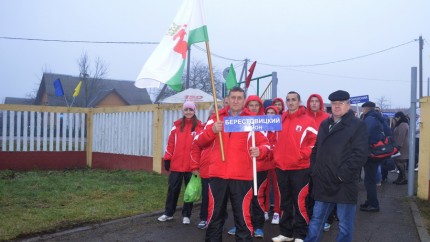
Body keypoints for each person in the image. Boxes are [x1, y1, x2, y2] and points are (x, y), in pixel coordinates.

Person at [195, 87, 270, 242]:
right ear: (227, 99)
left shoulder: (252, 120)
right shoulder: (216, 117)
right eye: (233, 97)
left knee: (242, 218)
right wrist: (212, 131)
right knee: (214, 216)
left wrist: (260, 151)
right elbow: (199, 141)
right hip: (217, 175)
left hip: (242, 176)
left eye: (239, 98)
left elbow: (266, 145)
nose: (236, 101)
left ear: (244, 100)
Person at [304, 90, 368, 242]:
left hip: (344, 183)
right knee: (316, 221)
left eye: (341, 103)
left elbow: (360, 154)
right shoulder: (325, 124)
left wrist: (342, 175)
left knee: (345, 225)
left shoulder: (357, 125)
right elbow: (316, 149)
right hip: (323, 181)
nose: (337, 106)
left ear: (348, 105)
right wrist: (314, 170)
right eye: (334, 103)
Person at [272, 91, 317, 242]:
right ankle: (286, 233)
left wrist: (301, 155)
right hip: (281, 168)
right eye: (288, 100)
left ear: (299, 101)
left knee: (299, 202)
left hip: (300, 168)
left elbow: (314, 143)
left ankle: (300, 234)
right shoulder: (280, 120)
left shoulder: (308, 121)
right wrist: (275, 155)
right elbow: (272, 140)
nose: (290, 102)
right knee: (284, 202)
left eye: (293, 100)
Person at [158, 101, 204, 224]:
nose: (188, 112)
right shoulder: (176, 126)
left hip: (192, 166)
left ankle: (186, 215)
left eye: (191, 109)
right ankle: (168, 213)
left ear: (195, 111)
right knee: (173, 190)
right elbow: (170, 144)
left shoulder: (200, 127)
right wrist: (167, 158)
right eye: (186, 109)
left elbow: (201, 147)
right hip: (176, 165)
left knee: (190, 191)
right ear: (183, 111)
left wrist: (199, 164)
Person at [190, 103, 223, 229]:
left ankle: (218, 219)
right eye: (214, 110)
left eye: (219, 110)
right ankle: (204, 218)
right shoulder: (204, 127)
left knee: (219, 197)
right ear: (210, 113)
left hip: (220, 168)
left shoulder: (226, 125)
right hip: (206, 168)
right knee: (206, 196)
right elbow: (195, 147)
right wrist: (194, 166)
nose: (216, 112)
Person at [359, 101, 390, 213]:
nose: (363, 111)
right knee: (370, 178)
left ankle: (373, 204)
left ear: (366, 108)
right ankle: (370, 201)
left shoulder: (369, 119)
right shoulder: (379, 118)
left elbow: (364, 135)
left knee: (369, 180)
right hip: (378, 151)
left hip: (371, 153)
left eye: (363, 109)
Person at [264, 106, 281, 225]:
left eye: (272, 113)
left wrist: (272, 149)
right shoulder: (262, 127)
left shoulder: (280, 128)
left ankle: (276, 211)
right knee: (265, 187)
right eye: (268, 113)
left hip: (276, 162)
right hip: (264, 161)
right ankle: (265, 210)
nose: (270, 115)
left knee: (276, 188)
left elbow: (280, 144)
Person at [392, 111, 409, 185]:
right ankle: (400, 178)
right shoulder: (404, 123)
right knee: (400, 161)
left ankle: (404, 178)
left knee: (399, 161)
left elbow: (401, 136)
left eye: (396, 117)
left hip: (401, 145)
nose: (395, 119)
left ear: (399, 117)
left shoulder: (402, 124)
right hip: (402, 145)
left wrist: (398, 146)